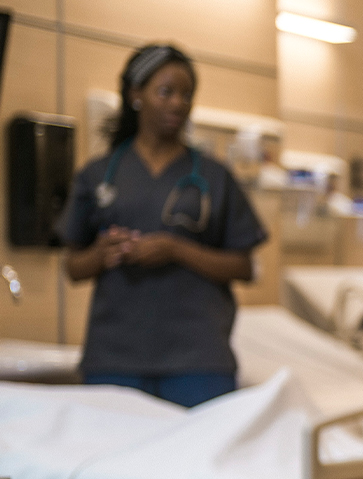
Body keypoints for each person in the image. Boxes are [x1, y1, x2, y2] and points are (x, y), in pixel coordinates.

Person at [58, 44, 267, 408]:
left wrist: (177, 250)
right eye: (166, 92)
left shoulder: (214, 177)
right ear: (136, 95)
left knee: (197, 461)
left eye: (187, 95)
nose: (178, 104)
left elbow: (244, 266)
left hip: (197, 360)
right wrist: (102, 253)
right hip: (114, 358)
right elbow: (74, 268)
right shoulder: (98, 175)